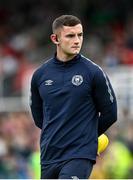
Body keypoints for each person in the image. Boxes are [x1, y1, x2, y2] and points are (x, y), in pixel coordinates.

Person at [30, 15, 117, 179]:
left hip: (79, 155)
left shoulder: (93, 72)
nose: (77, 40)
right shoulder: (40, 75)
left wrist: (86, 136)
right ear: (55, 38)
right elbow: (39, 118)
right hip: (49, 155)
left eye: (80, 35)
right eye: (70, 35)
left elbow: (110, 114)